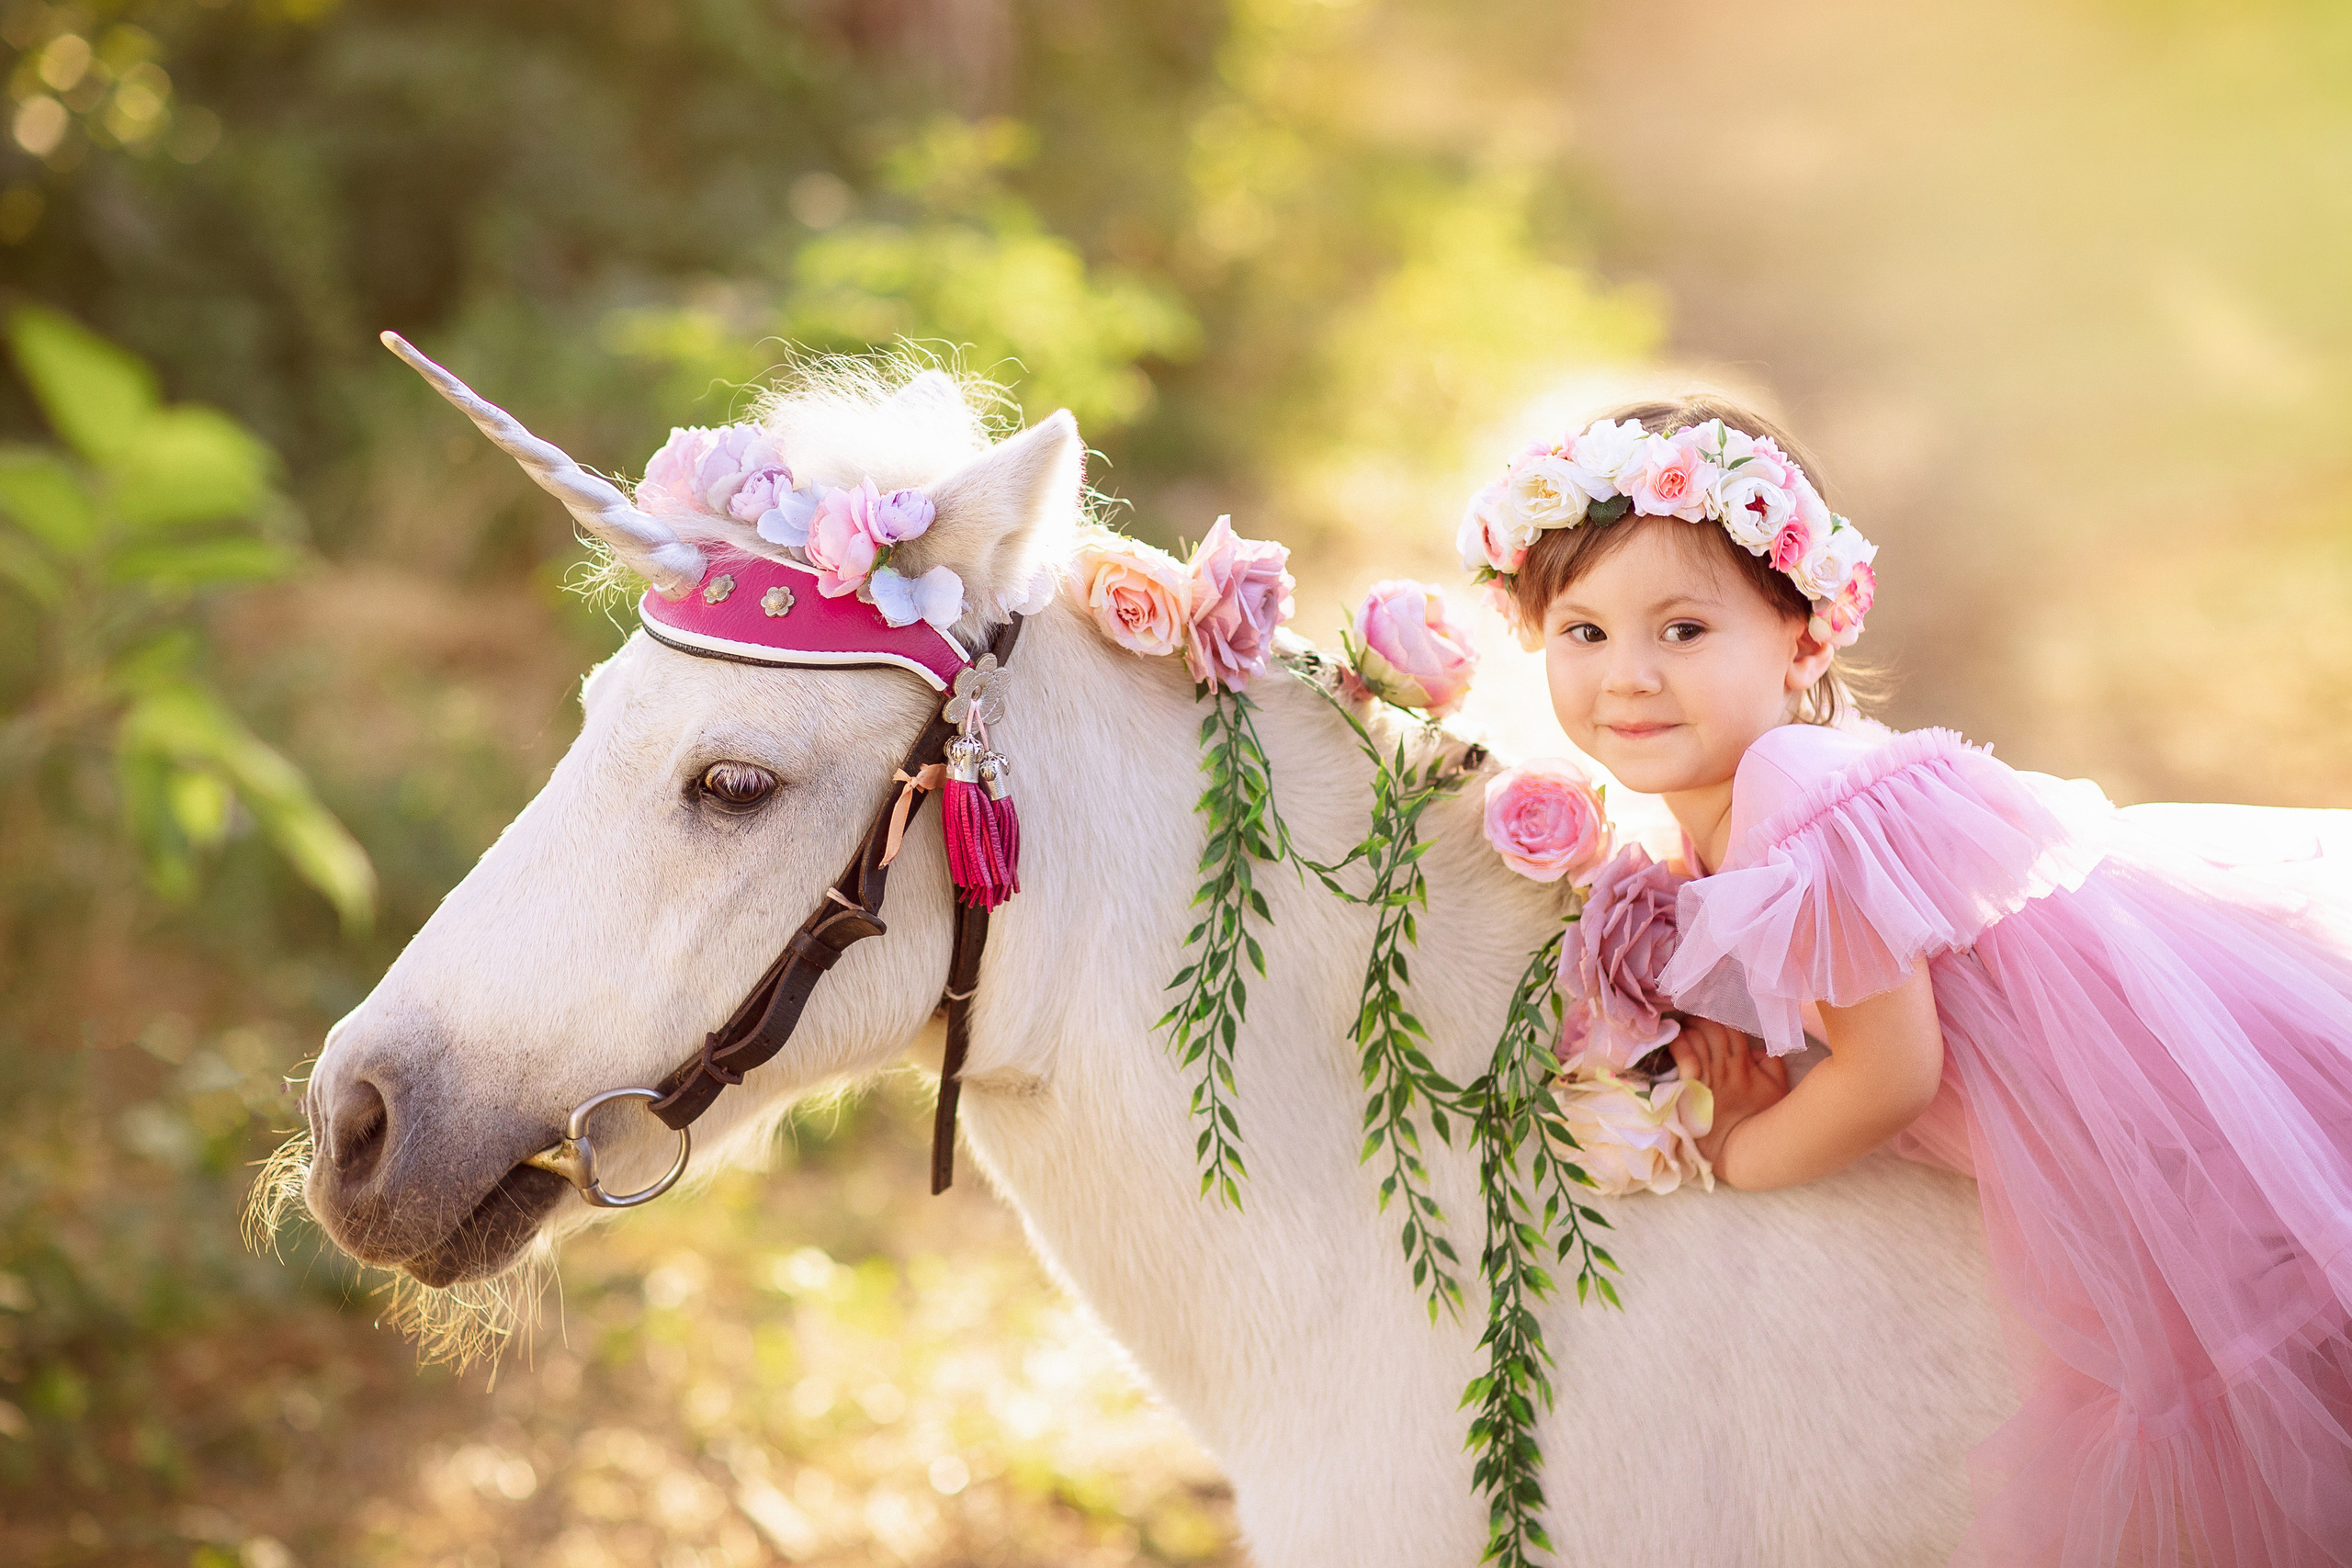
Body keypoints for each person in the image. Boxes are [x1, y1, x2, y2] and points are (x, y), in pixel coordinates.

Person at [1460, 393, 2352, 1566]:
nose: (1626, 677)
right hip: (2093, 1098)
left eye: (1681, 630)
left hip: (2145, 1102)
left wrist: (1736, 1149)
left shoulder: (1798, 795)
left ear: (1803, 641)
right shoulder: (1718, 820)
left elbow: (1886, 1075)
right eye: (1584, 632)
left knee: (2269, 1339)